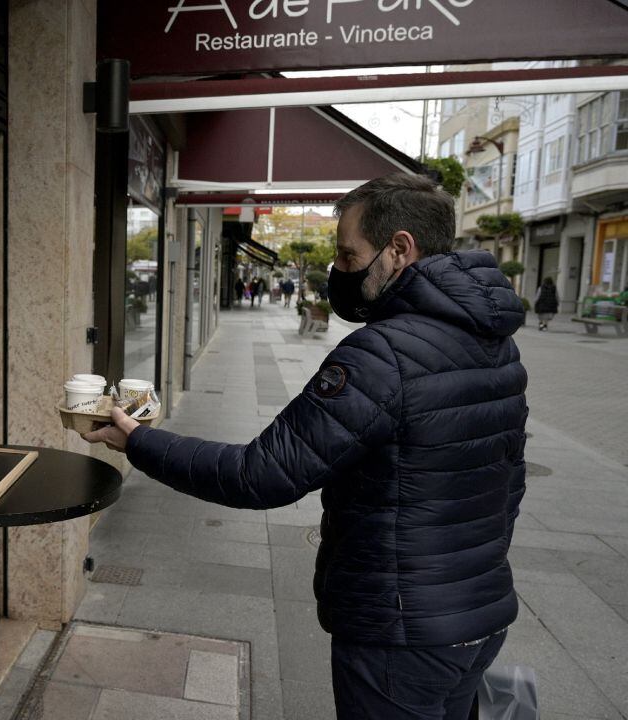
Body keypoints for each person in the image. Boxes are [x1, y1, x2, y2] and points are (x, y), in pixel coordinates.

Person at [84, 173, 527, 720]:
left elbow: (260, 475)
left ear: (400, 248)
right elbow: (510, 481)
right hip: (478, 619)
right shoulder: (495, 343)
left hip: (400, 632)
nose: (338, 271)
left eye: (348, 254)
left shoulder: (381, 355)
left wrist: (141, 441)